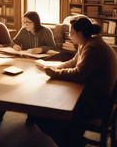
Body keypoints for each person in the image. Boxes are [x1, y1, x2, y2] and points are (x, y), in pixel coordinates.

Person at [37, 17, 117, 147]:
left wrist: (54, 73)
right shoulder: (88, 43)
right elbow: (73, 63)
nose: (69, 36)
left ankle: (72, 141)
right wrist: (53, 66)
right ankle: (74, 135)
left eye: (71, 33)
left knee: (42, 112)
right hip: (96, 95)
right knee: (53, 102)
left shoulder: (92, 48)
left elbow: (79, 74)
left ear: (80, 33)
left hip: (96, 104)